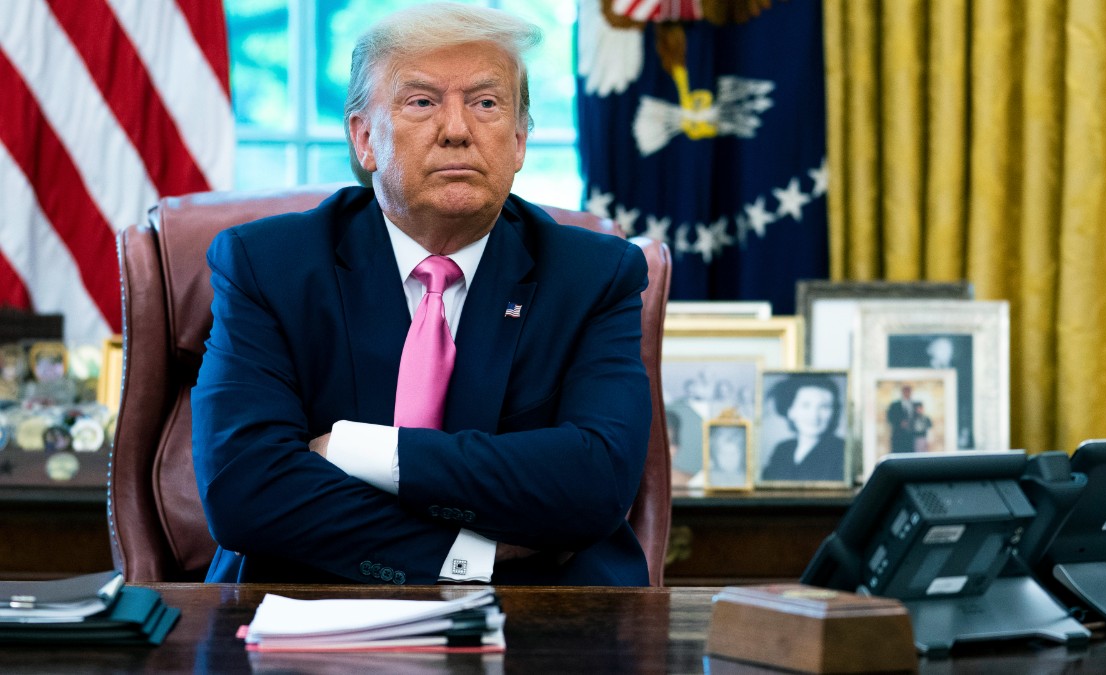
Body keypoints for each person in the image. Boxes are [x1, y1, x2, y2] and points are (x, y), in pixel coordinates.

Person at [191, 4, 651, 587]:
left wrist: (362, 451)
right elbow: (246, 490)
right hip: (307, 600)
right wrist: (466, 558)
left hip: (542, 612)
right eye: (422, 102)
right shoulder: (270, 266)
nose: (457, 129)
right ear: (364, 139)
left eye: (486, 103)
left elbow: (597, 481)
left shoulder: (594, 275)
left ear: (518, 141)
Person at [760, 376, 845, 482]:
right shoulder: (782, 450)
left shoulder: (841, 450)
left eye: (824, 407)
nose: (814, 416)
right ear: (791, 411)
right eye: (806, 406)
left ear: (834, 412)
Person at [886, 385, 916, 453]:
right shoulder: (895, 405)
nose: (907, 393)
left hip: (910, 436)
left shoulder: (914, 404)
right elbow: (890, 417)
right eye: (906, 391)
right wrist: (899, 423)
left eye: (909, 392)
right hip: (898, 435)